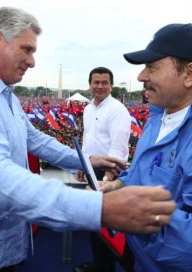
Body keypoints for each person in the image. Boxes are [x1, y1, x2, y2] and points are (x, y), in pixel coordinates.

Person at [0, 7, 176, 272]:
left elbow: (34, 138)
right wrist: (100, 208)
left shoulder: (2, 94)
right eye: (27, 49)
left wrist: (85, 160)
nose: (32, 61)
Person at [116, 23, 192, 271]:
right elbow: (147, 173)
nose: (141, 77)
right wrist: (118, 185)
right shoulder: (160, 113)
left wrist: (132, 214)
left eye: (152, 67)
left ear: (190, 74)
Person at [75, 67, 131, 272]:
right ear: (89, 84)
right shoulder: (88, 109)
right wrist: (82, 163)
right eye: (95, 82)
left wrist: (107, 179)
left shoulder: (117, 110)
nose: (99, 86)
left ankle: (105, 267)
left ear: (111, 85)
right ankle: (98, 264)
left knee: (106, 224)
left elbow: (119, 149)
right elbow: (87, 140)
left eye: (104, 82)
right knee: (94, 220)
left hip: (108, 174)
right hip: (92, 170)